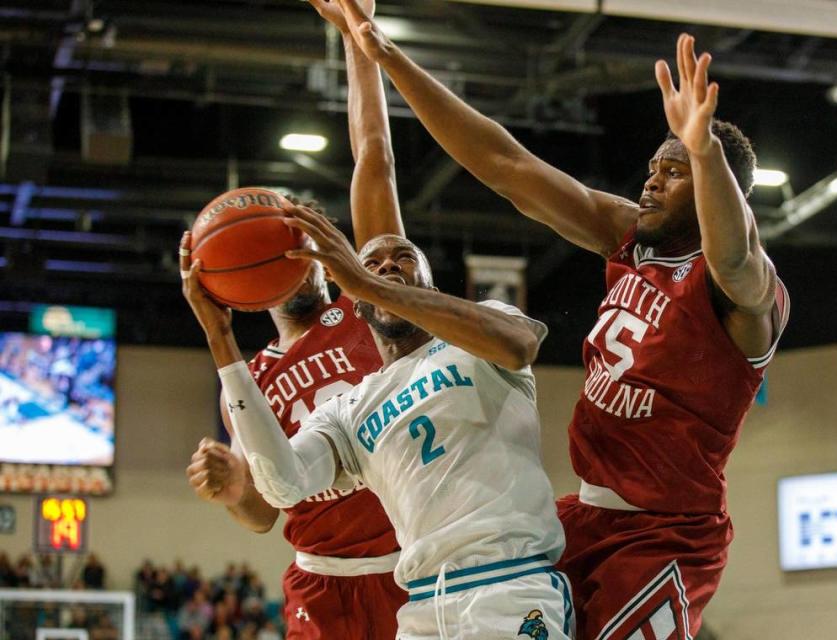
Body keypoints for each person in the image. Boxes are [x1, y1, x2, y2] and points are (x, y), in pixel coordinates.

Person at [333, 5, 789, 637]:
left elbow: (735, 253)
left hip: (666, 535)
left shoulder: (744, 289)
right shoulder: (630, 236)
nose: (653, 182)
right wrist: (385, 55)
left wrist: (704, 149)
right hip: (581, 512)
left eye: (673, 171)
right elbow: (506, 166)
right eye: (654, 168)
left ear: (722, 189)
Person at [183, 205, 574, 638]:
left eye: (404, 258)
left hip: (508, 583)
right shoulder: (351, 409)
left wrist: (367, 281)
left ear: (432, 287)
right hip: (420, 603)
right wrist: (219, 337)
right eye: (372, 263)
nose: (387, 264)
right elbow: (281, 487)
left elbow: (519, 345)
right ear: (362, 309)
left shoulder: (479, 338)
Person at [182, 1, 408, 637]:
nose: (295, 260)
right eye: (277, 252)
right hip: (322, 578)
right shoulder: (244, 384)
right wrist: (231, 490)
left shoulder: (372, 307)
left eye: (304, 245)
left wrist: (356, 41)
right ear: (247, 285)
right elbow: (261, 513)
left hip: (413, 564)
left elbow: (374, 158)